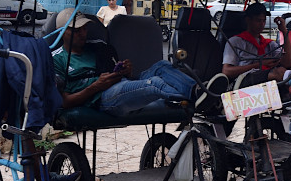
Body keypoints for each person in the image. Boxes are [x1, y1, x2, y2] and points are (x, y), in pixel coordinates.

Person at [53, 11, 197, 115]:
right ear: (61, 32)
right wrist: (95, 87)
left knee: (162, 66)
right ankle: (194, 102)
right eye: (76, 30)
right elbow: (64, 102)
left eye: (84, 28)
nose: (82, 33)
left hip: (120, 84)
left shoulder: (99, 46)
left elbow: (119, 73)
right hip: (101, 97)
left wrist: (125, 70)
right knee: (154, 83)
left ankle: (197, 92)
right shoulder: (57, 59)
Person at [222, 2, 291, 88]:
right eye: (258, 21)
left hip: (266, 78)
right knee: (278, 73)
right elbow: (226, 71)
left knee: (288, 72)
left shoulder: (269, 44)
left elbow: (288, 63)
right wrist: (259, 64)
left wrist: (284, 31)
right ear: (248, 20)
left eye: (264, 21)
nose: (262, 24)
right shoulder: (235, 42)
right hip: (243, 80)